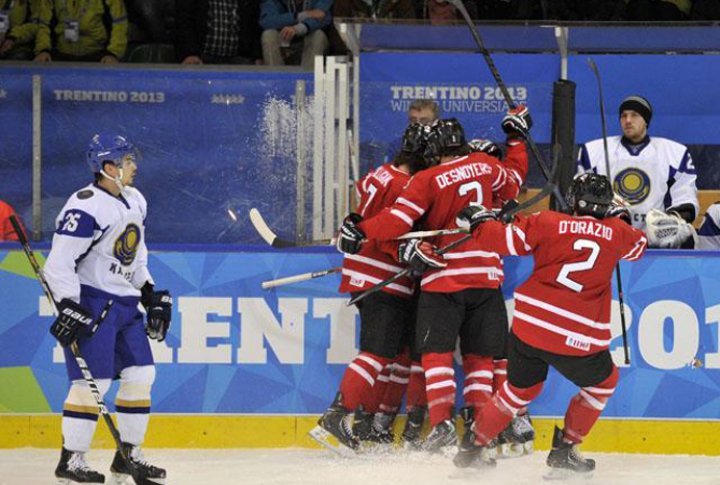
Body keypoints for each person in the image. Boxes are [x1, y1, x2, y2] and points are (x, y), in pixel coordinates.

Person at [336, 108, 530, 452]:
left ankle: (440, 425)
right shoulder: (487, 166)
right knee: (481, 358)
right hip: (487, 276)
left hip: (445, 277)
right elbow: (514, 181)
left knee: (436, 355)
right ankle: (479, 429)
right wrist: (516, 140)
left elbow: (396, 221)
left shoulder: (427, 179)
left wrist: (361, 232)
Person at [452, 173, 647, 477]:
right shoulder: (618, 232)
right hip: (576, 334)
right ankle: (565, 450)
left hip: (529, 325)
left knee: (519, 389)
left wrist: (480, 222)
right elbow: (639, 247)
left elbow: (502, 240)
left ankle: (473, 446)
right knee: (603, 383)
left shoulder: (546, 221)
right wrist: (619, 218)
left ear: (573, 199)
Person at [43, 133, 172, 484]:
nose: (133, 166)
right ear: (107, 167)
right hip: (93, 302)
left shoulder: (135, 200)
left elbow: (133, 255)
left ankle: (127, 456)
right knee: (93, 381)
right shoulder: (85, 205)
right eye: (126, 160)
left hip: (126, 305)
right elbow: (58, 264)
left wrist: (147, 291)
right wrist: (69, 305)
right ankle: (72, 460)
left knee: (141, 374)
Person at [310, 123, 429, 453]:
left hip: (362, 272)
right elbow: (392, 230)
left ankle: (367, 422)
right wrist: (404, 253)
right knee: (377, 353)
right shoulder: (407, 185)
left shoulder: (380, 174)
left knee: (390, 352)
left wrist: (353, 226)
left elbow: (361, 207)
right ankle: (337, 416)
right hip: (384, 277)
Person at [577, 95, 698, 248]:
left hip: (656, 238)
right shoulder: (595, 151)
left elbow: (685, 197)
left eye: (634, 115)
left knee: (686, 235)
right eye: (623, 116)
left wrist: (671, 220)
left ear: (646, 120)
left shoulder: (674, 153)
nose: (627, 120)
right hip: (609, 234)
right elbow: (583, 197)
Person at [34, 0, 128, 63]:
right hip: (60, 56)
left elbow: (119, 24)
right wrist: (43, 50)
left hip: (98, 56)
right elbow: (44, 24)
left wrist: (113, 54)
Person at [174, 0, 262, 65]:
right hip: (201, 58)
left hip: (239, 59)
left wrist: (257, 56)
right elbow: (184, 21)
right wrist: (190, 53)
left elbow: (255, 23)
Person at [259, 0, 332, 70]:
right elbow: (266, 21)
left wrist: (299, 28)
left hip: (309, 40)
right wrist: (301, 16)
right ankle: (276, 79)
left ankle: (307, 79)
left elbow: (324, 17)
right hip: (284, 41)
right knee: (268, 35)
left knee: (318, 36)